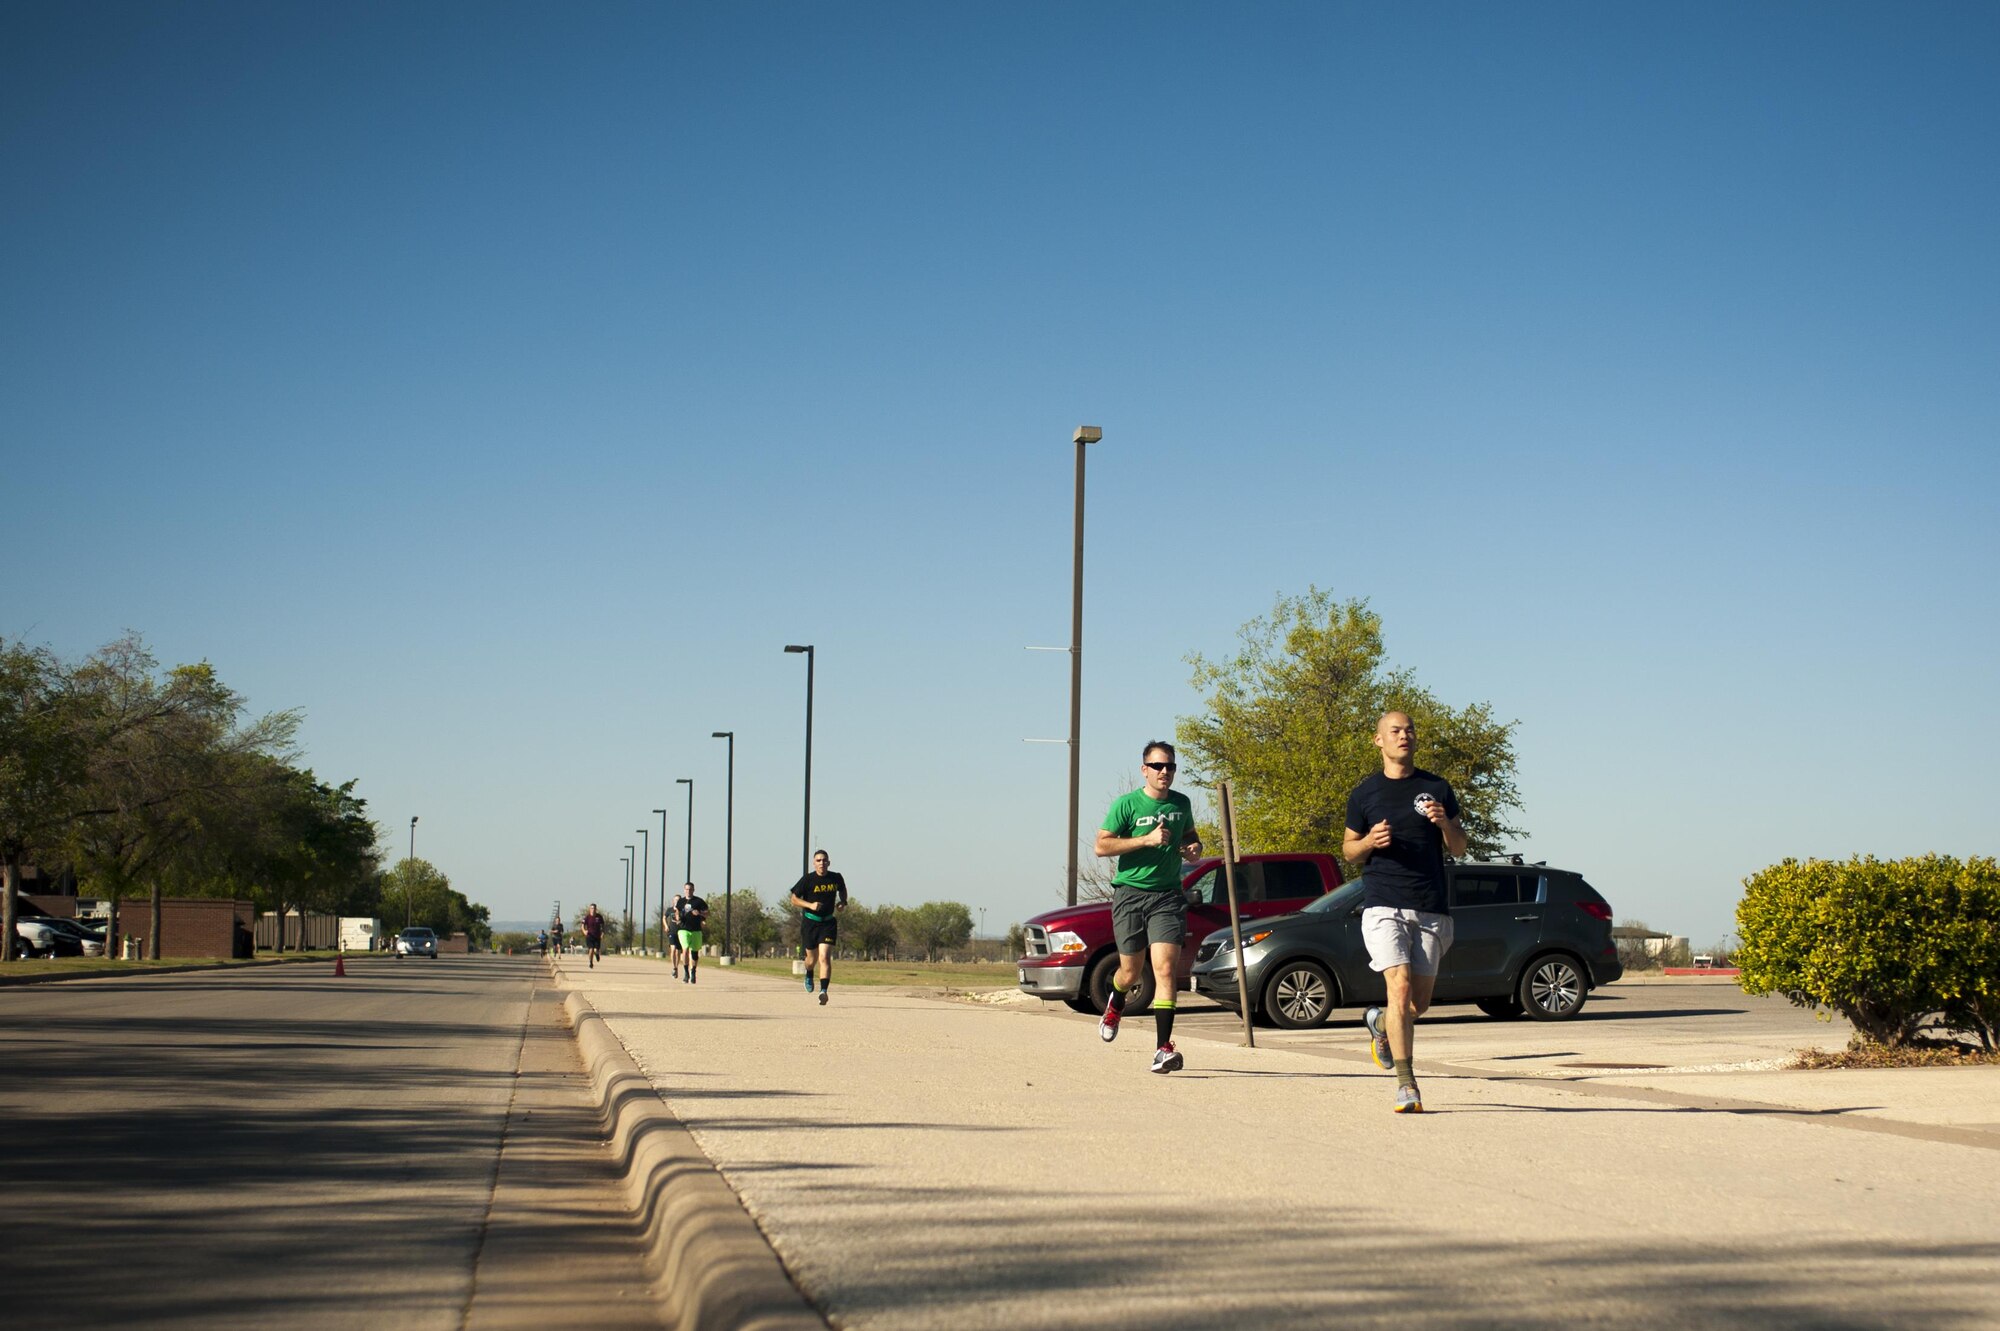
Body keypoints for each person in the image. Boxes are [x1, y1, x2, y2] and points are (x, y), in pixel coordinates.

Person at [1342, 710, 1468, 1114]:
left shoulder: (1437, 788)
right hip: (1383, 903)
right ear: (1378, 740)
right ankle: (1406, 1083)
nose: (1404, 736)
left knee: (1417, 1005)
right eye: (1395, 731)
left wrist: (1446, 823)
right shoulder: (1364, 794)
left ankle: (1379, 1025)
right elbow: (1348, 852)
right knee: (1397, 989)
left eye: (1409, 730)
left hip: (1430, 906)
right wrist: (1369, 843)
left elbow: (1460, 848)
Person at [1093, 740, 1203, 1074]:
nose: (1165, 772)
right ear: (1145, 770)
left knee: (1166, 970)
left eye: (1170, 766)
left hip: (1167, 896)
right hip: (1129, 894)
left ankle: (1163, 1049)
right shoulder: (1126, 805)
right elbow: (1101, 846)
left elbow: (1191, 837)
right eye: (1158, 766)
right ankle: (1116, 1001)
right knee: (1130, 972)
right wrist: (1145, 840)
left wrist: (1194, 848)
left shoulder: (1181, 803)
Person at [788, 850, 847, 1005]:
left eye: (824, 860)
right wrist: (810, 905)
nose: (822, 863)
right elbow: (793, 899)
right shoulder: (808, 880)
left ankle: (824, 991)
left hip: (827, 923)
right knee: (811, 960)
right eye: (818, 860)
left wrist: (842, 902)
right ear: (814, 863)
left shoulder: (835, 877)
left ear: (829, 862)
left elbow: (842, 890)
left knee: (824, 957)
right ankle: (809, 973)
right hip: (810, 923)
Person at [673, 883, 709, 983]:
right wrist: (678, 918)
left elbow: (707, 913)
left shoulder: (699, 901)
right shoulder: (681, 901)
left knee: (694, 953)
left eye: (690, 889)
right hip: (683, 929)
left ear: (693, 890)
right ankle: (686, 973)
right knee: (685, 949)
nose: (688, 891)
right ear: (684, 890)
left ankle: (693, 971)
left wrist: (700, 913)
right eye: (687, 889)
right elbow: (677, 911)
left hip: (696, 930)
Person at [581, 903, 604, 968]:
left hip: (597, 936)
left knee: (596, 950)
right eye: (591, 908)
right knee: (591, 949)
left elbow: (602, 926)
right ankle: (591, 962)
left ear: (596, 909)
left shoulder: (599, 917)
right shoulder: (587, 917)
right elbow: (582, 926)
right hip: (589, 936)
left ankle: (597, 954)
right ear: (589, 909)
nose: (593, 910)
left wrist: (602, 933)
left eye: (594, 908)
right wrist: (584, 931)